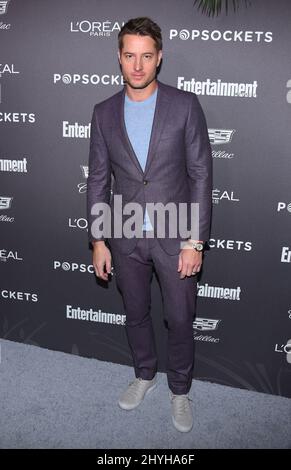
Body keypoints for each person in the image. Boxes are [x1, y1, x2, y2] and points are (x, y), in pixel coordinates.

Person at [87, 17, 212, 433]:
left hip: (175, 234)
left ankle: (180, 390)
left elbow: (200, 175)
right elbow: (98, 179)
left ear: (159, 58)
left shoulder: (185, 105)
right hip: (123, 235)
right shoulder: (103, 112)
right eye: (129, 56)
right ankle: (144, 375)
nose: (137, 66)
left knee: (179, 318)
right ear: (119, 58)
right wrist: (98, 239)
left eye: (146, 56)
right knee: (136, 313)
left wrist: (196, 240)